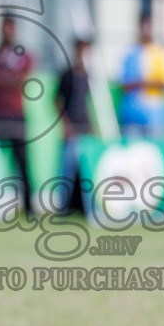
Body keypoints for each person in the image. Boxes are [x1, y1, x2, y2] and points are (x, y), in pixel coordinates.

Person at [0, 16, 35, 217]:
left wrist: (2, 78)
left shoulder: (23, 56)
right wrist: (8, 78)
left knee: (22, 165)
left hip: (16, 116)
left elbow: (22, 80)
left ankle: (29, 208)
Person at [118, 14, 164, 140]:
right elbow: (124, 84)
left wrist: (143, 83)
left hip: (156, 113)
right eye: (144, 26)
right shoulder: (129, 53)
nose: (146, 30)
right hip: (132, 112)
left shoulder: (162, 53)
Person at [54, 37, 94, 214]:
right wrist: (66, 125)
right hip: (72, 130)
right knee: (67, 172)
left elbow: (90, 104)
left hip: (85, 130)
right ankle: (63, 209)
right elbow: (56, 100)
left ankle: (85, 208)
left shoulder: (89, 77)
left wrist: (92, 126)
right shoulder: (67, 74)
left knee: (86, 172)